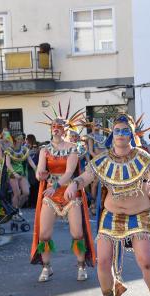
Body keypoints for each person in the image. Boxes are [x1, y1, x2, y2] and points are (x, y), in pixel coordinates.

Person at [64, 113, 150, 296]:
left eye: (125, 131)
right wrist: (74, 184)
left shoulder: (143, 158)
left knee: (146, 260)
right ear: (112, 134)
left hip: (138, 216)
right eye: (117, 130)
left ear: (131, 134)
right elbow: (86, 177)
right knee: (103, 261)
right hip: (111, 215)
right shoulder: (102, 160)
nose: (121, 134)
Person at [30, 107, 95, 283]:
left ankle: (81, 265)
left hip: (69, 192)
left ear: (66, 129)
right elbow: (40, 170)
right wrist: (40, 175)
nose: (56, 128)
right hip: (51, 193)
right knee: (44, 234)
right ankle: (46, 267)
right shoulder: (45, 149)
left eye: (60, 126)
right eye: (54, 126)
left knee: (77, 233)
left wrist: (57, 184)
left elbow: (69, 172)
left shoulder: (73, 148)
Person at [5, 131, 37, 213]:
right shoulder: (9, 150)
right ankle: (15, 211)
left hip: (22, 173)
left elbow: (30, 160)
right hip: (12, 173)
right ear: (15, 139)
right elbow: (8, 164)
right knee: (17, 193)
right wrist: (14, 173)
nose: (21, 140)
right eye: (19, 138)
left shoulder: (24, 149)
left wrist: (36, 169)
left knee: (26, 193)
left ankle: (16, 208)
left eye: (22, 138)